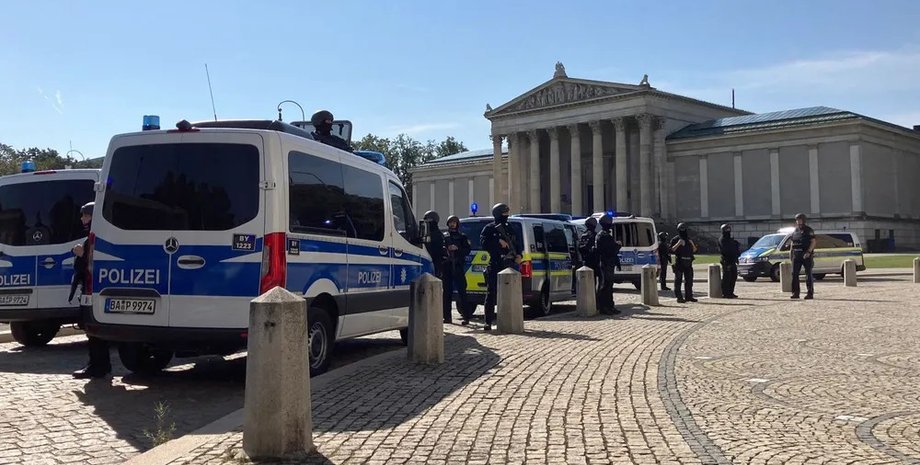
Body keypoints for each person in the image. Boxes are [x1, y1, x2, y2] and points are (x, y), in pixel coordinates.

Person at [71, 202, 112, 379]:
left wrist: (82, 254)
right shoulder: (90, 237)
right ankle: (98, 364)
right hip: (89, 289)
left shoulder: (98, 238)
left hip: (94, 290)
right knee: (91, 330)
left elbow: (93, 264)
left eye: (86, 215)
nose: (83, 219)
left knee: (94, 330)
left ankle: (98, 366)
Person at [480, 203, 522, 330]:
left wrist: (519, 254)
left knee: (510, 294)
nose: (506, 216)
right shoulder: (489, 228)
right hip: (496, 262)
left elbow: (517, 243)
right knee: (491, 293)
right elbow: (484, 243)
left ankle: (508, 320)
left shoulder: (510, 228)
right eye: (504, 214)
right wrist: (498, 241)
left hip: (509, 264)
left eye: (507, 214)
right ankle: (488, 321)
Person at [442, 216, 472, 325]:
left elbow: (467, 250)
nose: (452, 224)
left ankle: (466, 317)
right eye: (450, 222)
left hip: (458, 266)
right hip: (447, 267)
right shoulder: (445, 236)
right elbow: (441, 249)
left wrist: (458, 249)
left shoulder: (462, 237)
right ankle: (447, 317)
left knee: (462, 292)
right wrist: (447, 249)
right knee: (447, 293)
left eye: (454, 222)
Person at [595, 214, 622, 315]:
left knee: (609, 286)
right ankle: (604, 307)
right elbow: (610, 250)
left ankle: (610, 306)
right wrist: (618, 245)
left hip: (608, 263)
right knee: (605, 286)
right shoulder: (603, 236)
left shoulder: (603, 235)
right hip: (606, 264)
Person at [790, 213, 817, 300]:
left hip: (806, 255)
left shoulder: (809, 230)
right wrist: (791, 254)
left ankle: (810, 293)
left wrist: (809, 252)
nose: (798, 221)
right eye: (797, 220)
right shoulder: (795, 231)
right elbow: (792, 243)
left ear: (803, 220)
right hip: (796, 255)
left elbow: (813, 242)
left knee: (808, 274)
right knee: (794, 274)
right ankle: (795, 293)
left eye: (800, 219)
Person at [670, 223, 698, 303]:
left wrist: (692, 243)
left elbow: (694, 250)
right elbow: (671, 250)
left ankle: (689, 296)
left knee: (689, 281)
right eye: (681, 229)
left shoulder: (689, 239)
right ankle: (679, 297)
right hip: (679, 262)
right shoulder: (675, 239)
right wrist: (678, 244)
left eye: (684, 229)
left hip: (688, 262)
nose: (683, 230)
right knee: (678, 281)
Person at [718, 224, 741, 299]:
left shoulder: (730, 239)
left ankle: (731, 292)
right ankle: (725, 293)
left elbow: (734, 248)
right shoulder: (722, 239)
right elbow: (725, 250)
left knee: (733, 276)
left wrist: (736, 256)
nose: (728, 231)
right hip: (726, 260)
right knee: (727, 277)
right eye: (726, 229)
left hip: (732, 260)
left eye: (728, 229)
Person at [578, 217, 600, 290]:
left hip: (585, 261)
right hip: (593, 261)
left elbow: (579, 247)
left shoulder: (583, 235)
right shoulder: (595, 235)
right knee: (594, 281)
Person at [423, 211, 446, 279]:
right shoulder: (425, 233)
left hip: (435, 264)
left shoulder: (438, 235)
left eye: (428, 221)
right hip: (426, 261)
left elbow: (438, 251)